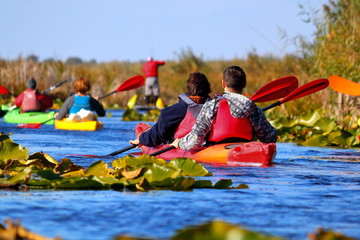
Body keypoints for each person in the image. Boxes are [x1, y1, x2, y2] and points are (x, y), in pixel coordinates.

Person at [172, 65, 277, 150]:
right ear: (244, 84)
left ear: (223, 83)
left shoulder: (211, 106)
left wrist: (179, 143)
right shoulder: (253, 108)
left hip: (216, 151)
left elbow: (196, 140)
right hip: (245, 150)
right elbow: (270, 138)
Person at [130, 72, 212, 147]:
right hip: (205, 144)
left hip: (181, 144)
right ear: (208, 89)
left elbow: (156, 136)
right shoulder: (215, 107)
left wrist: (142, 139)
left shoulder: (176, 110)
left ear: (189, 88)